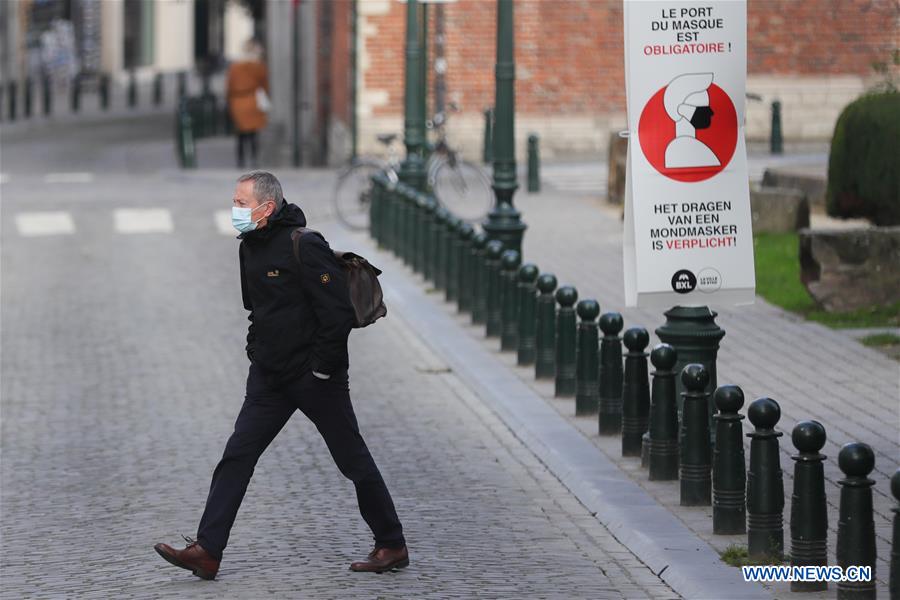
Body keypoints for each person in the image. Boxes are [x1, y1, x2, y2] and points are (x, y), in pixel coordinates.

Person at [154, 171, 408, 580]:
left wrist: (322, 369)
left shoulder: (305, 245)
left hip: (315, 379)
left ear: (266, 208)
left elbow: (337, 315)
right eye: (234, 202)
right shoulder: (249, 247)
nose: (234, 210)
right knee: (237, 456)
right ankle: (207, 551)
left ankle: (391, 543)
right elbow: (256, 308)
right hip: (269, 378)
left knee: (352, 460)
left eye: (240, 203)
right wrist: (256, 350)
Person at [226, 40, 269, 168]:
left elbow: (229, 85)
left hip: (238, 101)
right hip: (252, 101)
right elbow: (265, 84)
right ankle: (254, 158)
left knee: (240, 134)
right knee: (253, 133)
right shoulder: (258, 66)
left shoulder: (235, 67)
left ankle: (240, 160)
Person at [663, 72, 719, 169]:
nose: (711, 113)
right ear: (682, 110)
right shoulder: (680, 148)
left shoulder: (686, 147)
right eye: (703, 108)